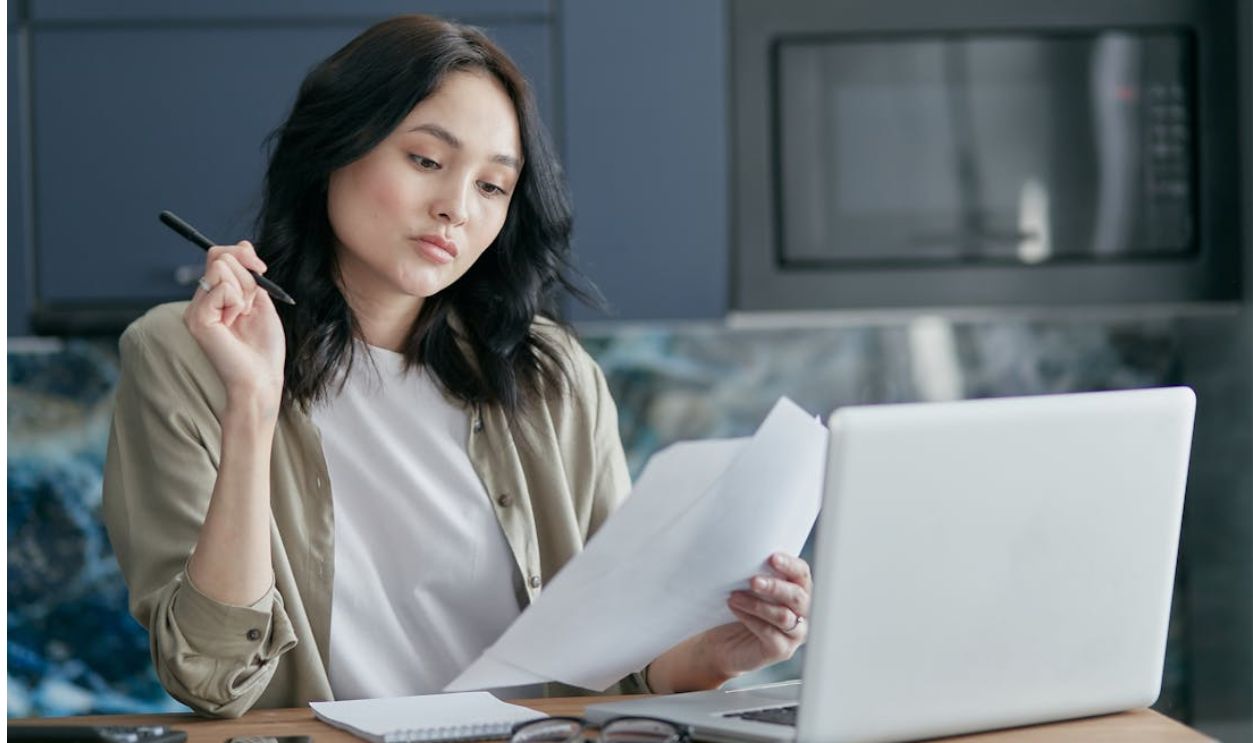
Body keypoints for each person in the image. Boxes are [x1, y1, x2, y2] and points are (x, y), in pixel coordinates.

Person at [102, 14, 812, 718]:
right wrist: (253, 406)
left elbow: (615, 669)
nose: (455, 209)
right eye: (426, 160)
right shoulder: (184, 353)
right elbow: (210, 675)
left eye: (492, 186)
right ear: (332, 148)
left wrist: (713, 655)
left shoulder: (553, 377)